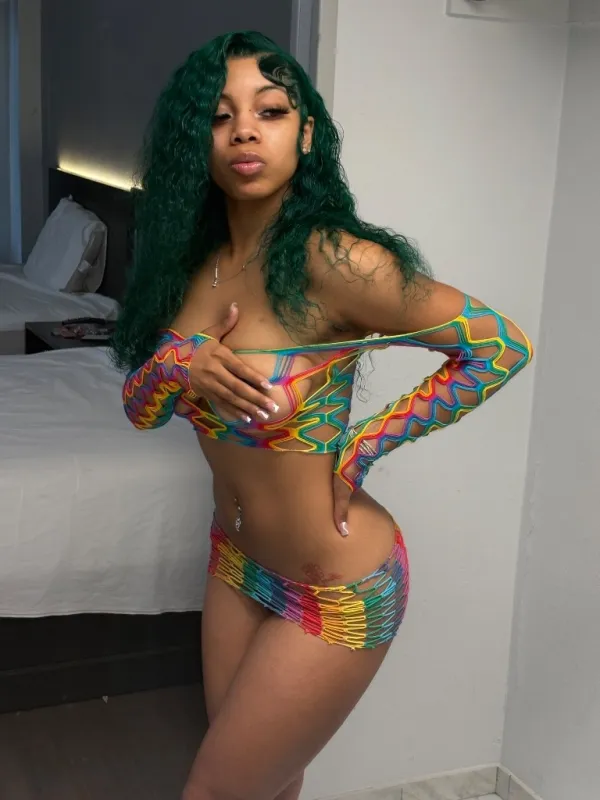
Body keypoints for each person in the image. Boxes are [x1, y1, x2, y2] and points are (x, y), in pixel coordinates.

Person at [112, 30, 533, 800]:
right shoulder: (190, 266)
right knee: (271, 785)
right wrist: (178, 365)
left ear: (306, 134)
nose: (244, 130)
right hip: (235, 563)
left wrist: (367, 444)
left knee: (213, 791)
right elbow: (142, 410)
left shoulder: (333, 261)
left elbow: (499, 346)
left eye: (270, 111)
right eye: (220, 116)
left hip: (336, 587)